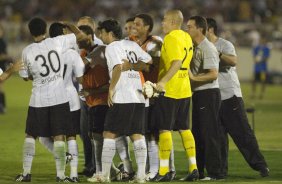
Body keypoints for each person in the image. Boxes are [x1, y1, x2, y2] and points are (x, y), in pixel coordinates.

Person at [15, 17, 88, 182]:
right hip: (59, 97)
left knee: (31, 134)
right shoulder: (58, 42)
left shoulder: (27, 51)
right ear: (45, 29)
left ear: (30, 32)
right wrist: (68, 25)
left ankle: (26, 173)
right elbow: (81, 36)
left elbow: (26, 77)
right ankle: (61, 175)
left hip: (38, 99)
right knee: (59, 136)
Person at [88, 19, 152, 183]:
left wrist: (111, 88)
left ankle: (105, 176)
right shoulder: (132, 45)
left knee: (108, 133)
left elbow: (117, 67)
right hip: (138, 95)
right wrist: (132, 66)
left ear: (109, 33)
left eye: (101, 32)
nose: (100, 36)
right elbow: (148, 62)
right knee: (136, 134)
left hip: (122, 95)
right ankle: (141, 176)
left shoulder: (112, 47)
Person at [206, 17, 269, 178]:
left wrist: (215, 53)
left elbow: (233, 61)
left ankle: (260, 165)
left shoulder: (224, 45)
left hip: (229, 96)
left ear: (209, 29)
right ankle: (220, 172)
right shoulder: (199, 48)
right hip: (212, 99)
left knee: (243, 134)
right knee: (217, 138)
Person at [150, 10, 198, 182]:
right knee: (185, 128)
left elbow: (176, 62)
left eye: (163, 20)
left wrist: (162, 82)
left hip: (170, 89)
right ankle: (193, 167)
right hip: (184, 88)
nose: (162, 23)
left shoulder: (170, 38)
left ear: (172, 22)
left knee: (165, 129)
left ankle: (163, 171)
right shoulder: (186, 37)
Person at [38, 22, 85, 182]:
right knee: (71, 136)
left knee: (58, 136)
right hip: (71, 97)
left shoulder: (45, 53)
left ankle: (60, 175)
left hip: (54, 98)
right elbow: (81, 78)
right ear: (64, 32)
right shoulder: (72, 54)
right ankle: (74, 175)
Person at [186, 15, 222, 180]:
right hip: (200, 94)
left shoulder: (207, 48)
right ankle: (199, 172)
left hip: (208, 94)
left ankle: (216, 173)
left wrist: (192, 79)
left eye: (190, 27)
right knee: (198, 134)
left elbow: (213, 74)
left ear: (200, 29)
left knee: (209, 134)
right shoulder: (196, 46)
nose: (187, 30)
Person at [77, 16, 103, 177]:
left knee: (98, 134)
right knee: (84, 132)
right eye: (79, 27)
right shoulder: (78, 45)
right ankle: (89, 165)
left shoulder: (99, 45)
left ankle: (101, 167)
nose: (80, 31)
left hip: (98, 95)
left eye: (84, 28)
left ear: (92, 29)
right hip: (83, 96)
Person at [0, 24, 13, 113]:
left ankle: (2, 107)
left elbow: (4, 56)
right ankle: (2, 106)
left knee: (1, 87)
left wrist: (5, 57)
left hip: (1, 67)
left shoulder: (2, 42)